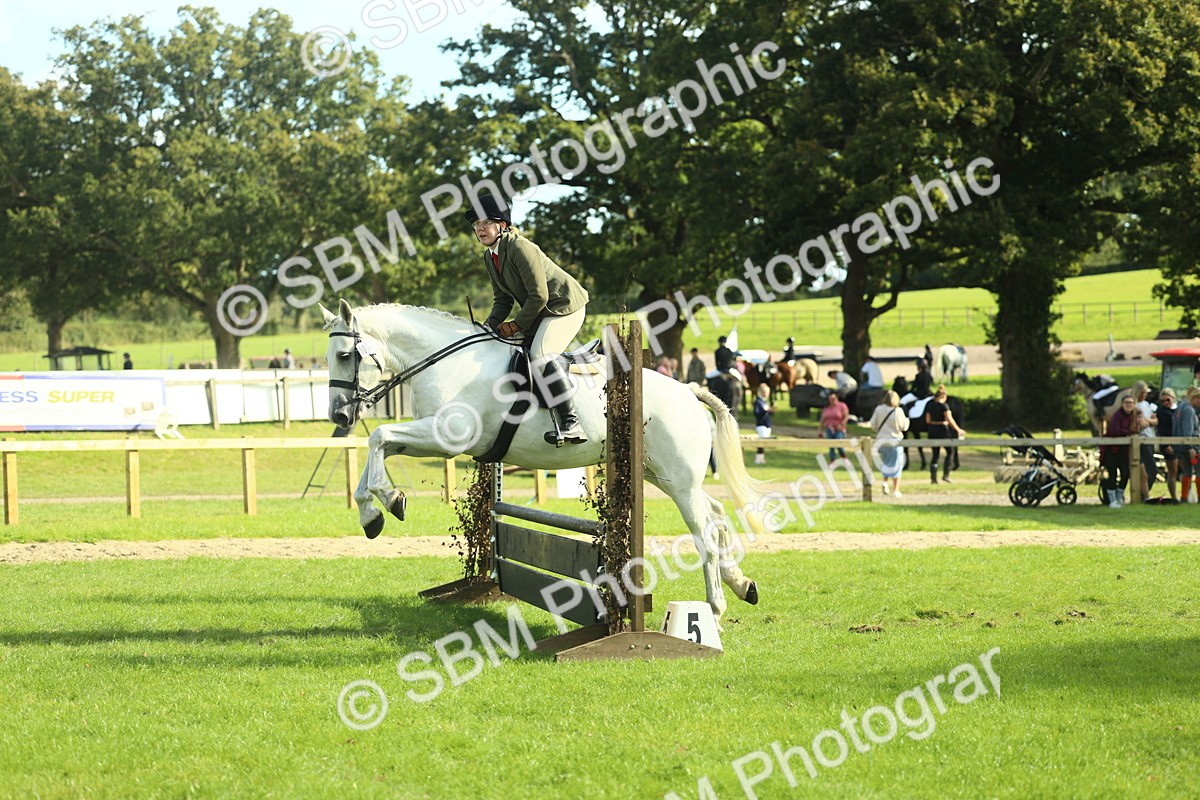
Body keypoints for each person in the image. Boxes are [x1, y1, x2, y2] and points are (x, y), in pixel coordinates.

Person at [467, 193, 590, 445]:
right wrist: (487, 327)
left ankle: (572, 422)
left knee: (539, 355)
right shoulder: (490, 256)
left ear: (501, 225)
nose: (480, 228)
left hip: (565, 306)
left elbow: (539, 296)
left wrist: (515, 325)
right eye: (476, 224)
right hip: (542, 310)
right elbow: (503, 300)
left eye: (485, 222)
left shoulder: (519, 247)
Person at [868, 389, 910, 497]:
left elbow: (873, 425)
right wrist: (907, 421)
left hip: (881, 441)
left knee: (886, 463)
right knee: (897, 465)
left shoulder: (879, 409)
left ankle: (885, 482)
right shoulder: (898, 411)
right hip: (894, 441)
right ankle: (896, 489)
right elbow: (903, 427)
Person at [924, 384, 965, 484]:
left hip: (933, 430)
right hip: (943, 430)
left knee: (935, 454)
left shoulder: (930, 406)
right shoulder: (944, 406)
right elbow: (950, 420)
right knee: (950, 452)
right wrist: (958, 429)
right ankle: (946, 475)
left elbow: (927, 420)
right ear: (944, 397)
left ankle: (933, 478)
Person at [1101, 395, 1137, 507]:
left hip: (1123, 451)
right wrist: (1128, 433)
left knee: (1125, 474)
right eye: (1126, 402)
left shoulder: (1133, 416)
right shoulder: (1117, 416)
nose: (1129, 405)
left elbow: (1135, 429)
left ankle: (1119, 497)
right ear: (1122, 404)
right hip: (1112, 450)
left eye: (1131, 403)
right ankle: (1112, 501)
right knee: (1112, 474)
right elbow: (1114, 431)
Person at [1132, 380, 1157, 498]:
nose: (1143, 395)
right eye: (1141, 393)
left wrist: (1148, 422)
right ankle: (1143, 494)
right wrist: (1148, 422)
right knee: (1151, 469)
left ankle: (1144, 493)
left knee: (1149, 470)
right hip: (1142, 440)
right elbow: (1140, 425)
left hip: (1150, 438)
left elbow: (1155, 420)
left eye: (1145, 393)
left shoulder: (1147, 404)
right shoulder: (1134, 405)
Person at [1176, 387, 1200, 504]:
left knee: (1187, 472)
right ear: (1195, 398)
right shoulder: (1189, 410)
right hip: (1193, 446)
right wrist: (1191, 448)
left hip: (1182, 446)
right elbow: (1188, 431)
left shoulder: (1180, 407)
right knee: (1199, 472)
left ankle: (1184, 498)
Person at [1157, 388, 1179, 503]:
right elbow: (1161, 429)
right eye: (1162, 401)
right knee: (1172, 471)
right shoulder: (1161, 412)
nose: (1165, 403)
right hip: (1168, 443)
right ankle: (1174, 496)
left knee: (1185, 470)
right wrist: (1166, 444)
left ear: (1173, 398)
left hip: (1180, 442)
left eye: (1167, 400)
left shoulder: (1178, 409)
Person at [818, 391, 850, 460]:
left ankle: (844, 458)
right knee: (831, 445)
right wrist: (820, 430)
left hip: (838, 428)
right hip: (829, 428)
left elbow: (846, 416)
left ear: (837, 398)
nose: (832, 401)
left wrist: (842, 424)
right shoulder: (826, 408)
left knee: (839, 444)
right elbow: (822, 420)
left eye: (834, 399)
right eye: (830, 399)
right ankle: (832, 460)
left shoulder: (842, 406)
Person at [753, 384, 773, 464]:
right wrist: (766, 411)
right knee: (761, 442)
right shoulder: (758, 402)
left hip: (767, 424)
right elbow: (757, 413)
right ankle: (758, 458)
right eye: (765, 392)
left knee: (764, 443)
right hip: (761, 425)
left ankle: (762, 458)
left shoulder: (765, 402)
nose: (766, 394)